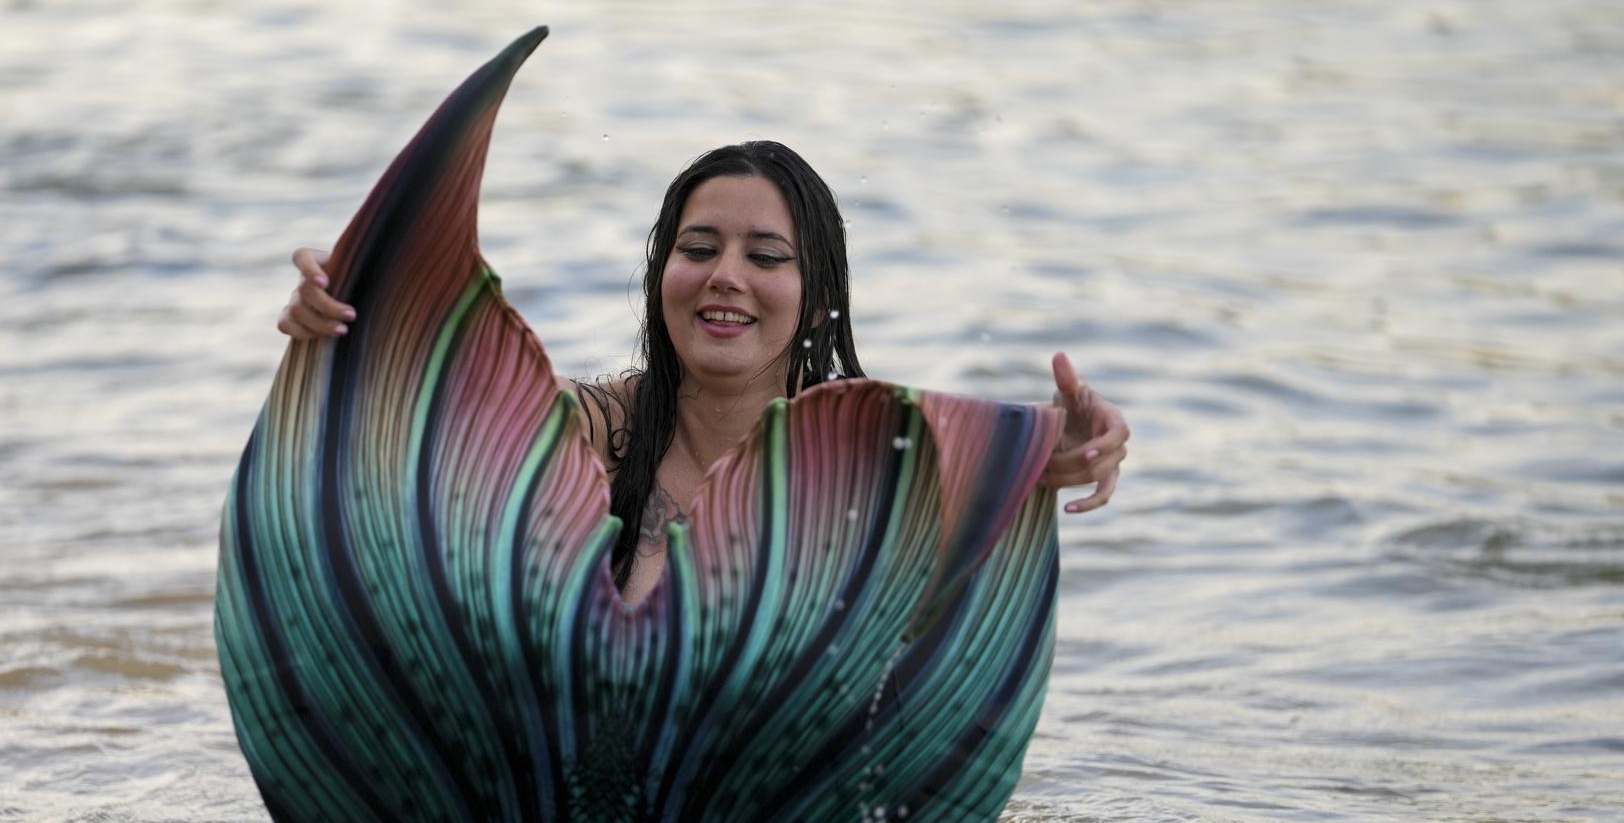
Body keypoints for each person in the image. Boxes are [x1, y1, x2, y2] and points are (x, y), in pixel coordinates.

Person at [276, 139, 1130, 609]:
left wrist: (1059, 451)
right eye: (698, 249)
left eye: (765, 256)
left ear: (817, 294)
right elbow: (445, 415)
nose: (725, 276)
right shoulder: (594, 432)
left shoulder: (867, 460)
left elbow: (985, 466)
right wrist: (353, 316)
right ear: (662, 275)